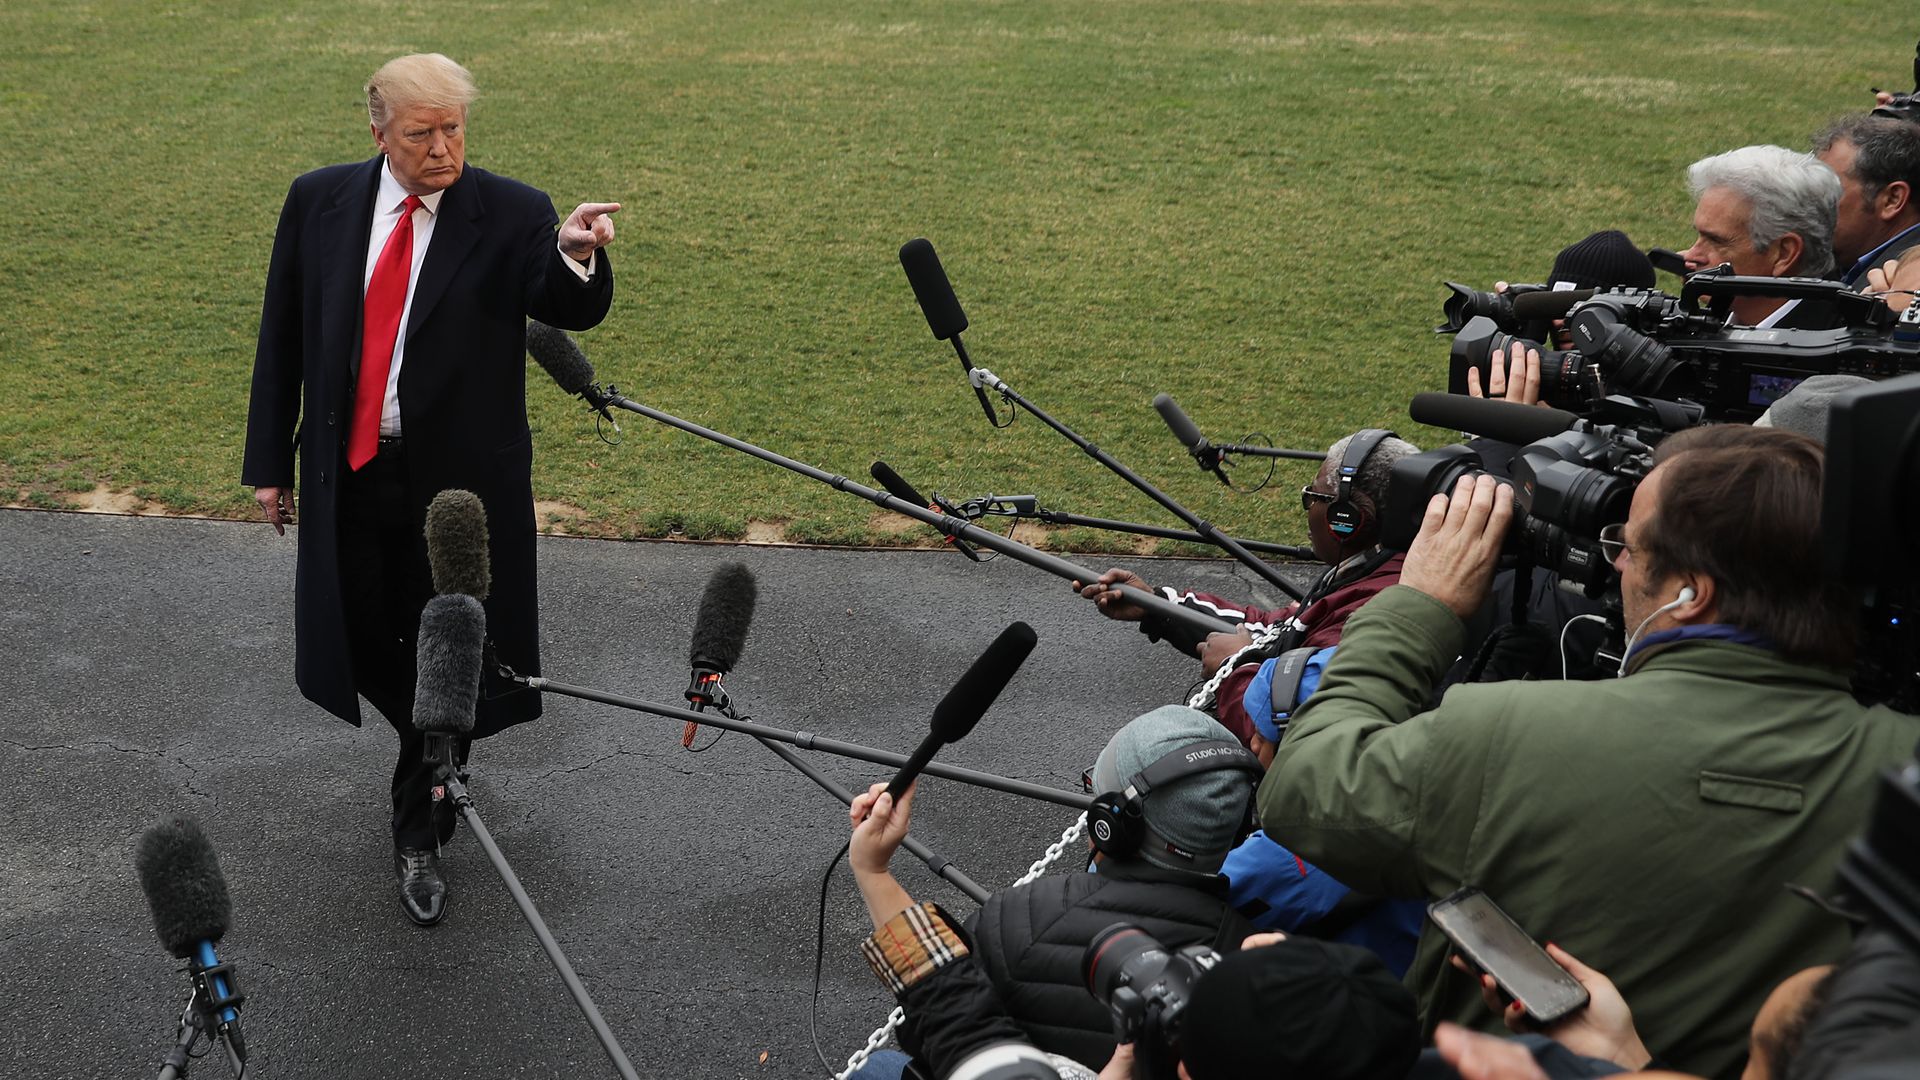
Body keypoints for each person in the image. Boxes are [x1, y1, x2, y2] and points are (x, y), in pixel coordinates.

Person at [1259, 425, 1920, 1079]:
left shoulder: (1506, 733)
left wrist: (1417, 606)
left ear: (1691, 593)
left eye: (1628, 546)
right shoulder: (1905, 771)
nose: (1617, 566)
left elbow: (1305, 789)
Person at [241, 53, 619, 926]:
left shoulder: (512, 210)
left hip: (459, 491)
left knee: (449, 644)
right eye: (422, 133)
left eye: (454, 128)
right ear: (379, 132)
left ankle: (420, 821)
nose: (443, 147)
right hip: (350, 470)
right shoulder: (319, 200)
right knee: (360, 634)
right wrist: (267, 462)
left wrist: (574, 253)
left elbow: (564, 304)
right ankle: (438, 745)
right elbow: (283, 332)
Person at [845, 782, 1421, 1080]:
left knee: (881, 1070)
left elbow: (963, 1025)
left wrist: (874, 872)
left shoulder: (1034, 915)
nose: (1255, 941)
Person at [850, 706, 1261, 1073]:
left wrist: (874, 870)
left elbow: (932, 1029)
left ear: (1110, 825)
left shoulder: (1024, 918)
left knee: (879, 1066)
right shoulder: (1254, 959)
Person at [1072, 430, 1421, 745]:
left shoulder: (1368, 612)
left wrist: (1235, 669)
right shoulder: (1380, 572)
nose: (1307, 507)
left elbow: (1288, 738)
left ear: (1348, 518)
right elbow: (1274, 631)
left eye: (1313, 496)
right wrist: (1157, 605)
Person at [1678, 146, 1840, 327]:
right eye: (1699, 236)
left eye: (1716, 241)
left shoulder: (1839, 340)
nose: (1690, 256)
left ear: (1784, 253)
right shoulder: (1717, 319)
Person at [1811, 116, 1920, 286]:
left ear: (1892, 199)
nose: (1809, 205)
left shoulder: (1906, 287)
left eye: (1827, 191)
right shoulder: (1837, 262)